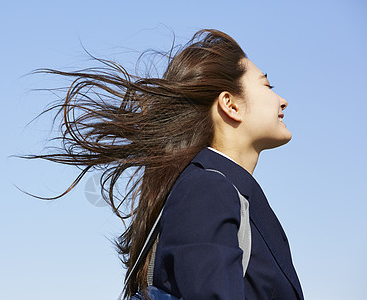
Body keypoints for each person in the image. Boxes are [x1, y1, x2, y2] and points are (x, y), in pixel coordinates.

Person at [25, 29, 304, 299]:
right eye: (268, 86)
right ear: (230, 105)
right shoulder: (207, 190)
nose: (283, 101)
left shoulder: (229, 193)